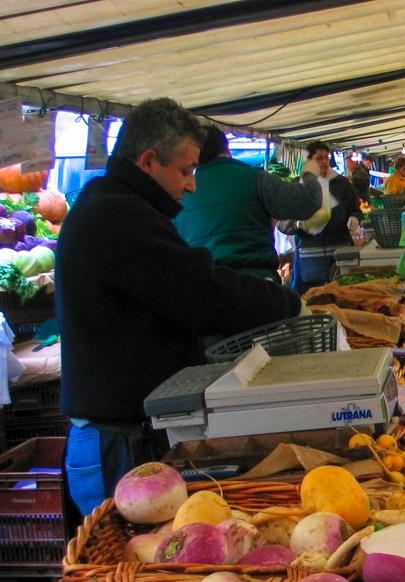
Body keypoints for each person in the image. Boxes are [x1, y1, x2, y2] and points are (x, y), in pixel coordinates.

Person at [56, 98, 302, 516]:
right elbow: (199, 291)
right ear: (149, 161)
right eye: (186, 170)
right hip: (114, 440)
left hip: (125, 432)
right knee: (118, 570)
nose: (192, 184)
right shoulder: (116, 215)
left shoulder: (117, 205)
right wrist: (288, 302)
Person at [174, 126, 322, 283]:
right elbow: (308, 201)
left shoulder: (181, 194)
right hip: (256, 284)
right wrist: (310, 173)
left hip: (205, 290)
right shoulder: (255, 179)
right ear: (227, 149)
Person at [290, 140, 362, 293]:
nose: (324, 161)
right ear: (309, 161)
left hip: (340, 251)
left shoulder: (341, 183)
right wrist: (297, 224)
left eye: (326, 157)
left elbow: (355, 209)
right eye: (319, 158)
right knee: (312, 296)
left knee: (342, 293)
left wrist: (354, 218)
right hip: (310, 255)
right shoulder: (298, 186)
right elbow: (284, 222)